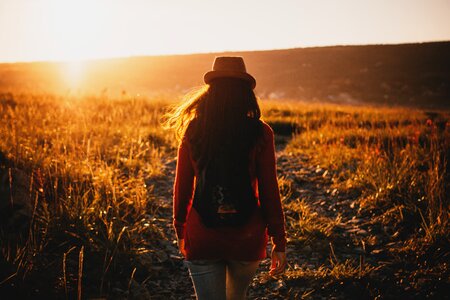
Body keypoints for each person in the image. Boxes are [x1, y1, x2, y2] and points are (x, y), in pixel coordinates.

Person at [168, 56, 286, 300]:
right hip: (247, 238)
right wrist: (279, 241)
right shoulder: (261, 132)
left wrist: (180, 228)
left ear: (211, 91)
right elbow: (269, 190)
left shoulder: (194, 129)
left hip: (202, 235)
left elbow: (182, 187)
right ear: (246, 93)